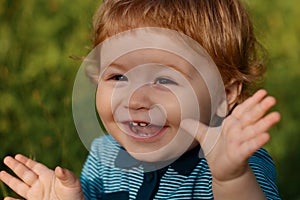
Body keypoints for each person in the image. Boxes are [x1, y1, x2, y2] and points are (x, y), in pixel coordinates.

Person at [0, 0, 282, 199]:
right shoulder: (104, 155)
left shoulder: (234, 163)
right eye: (118, 78)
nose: (135, 100)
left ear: (224, 94)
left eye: (164, 80)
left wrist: (230, 181)